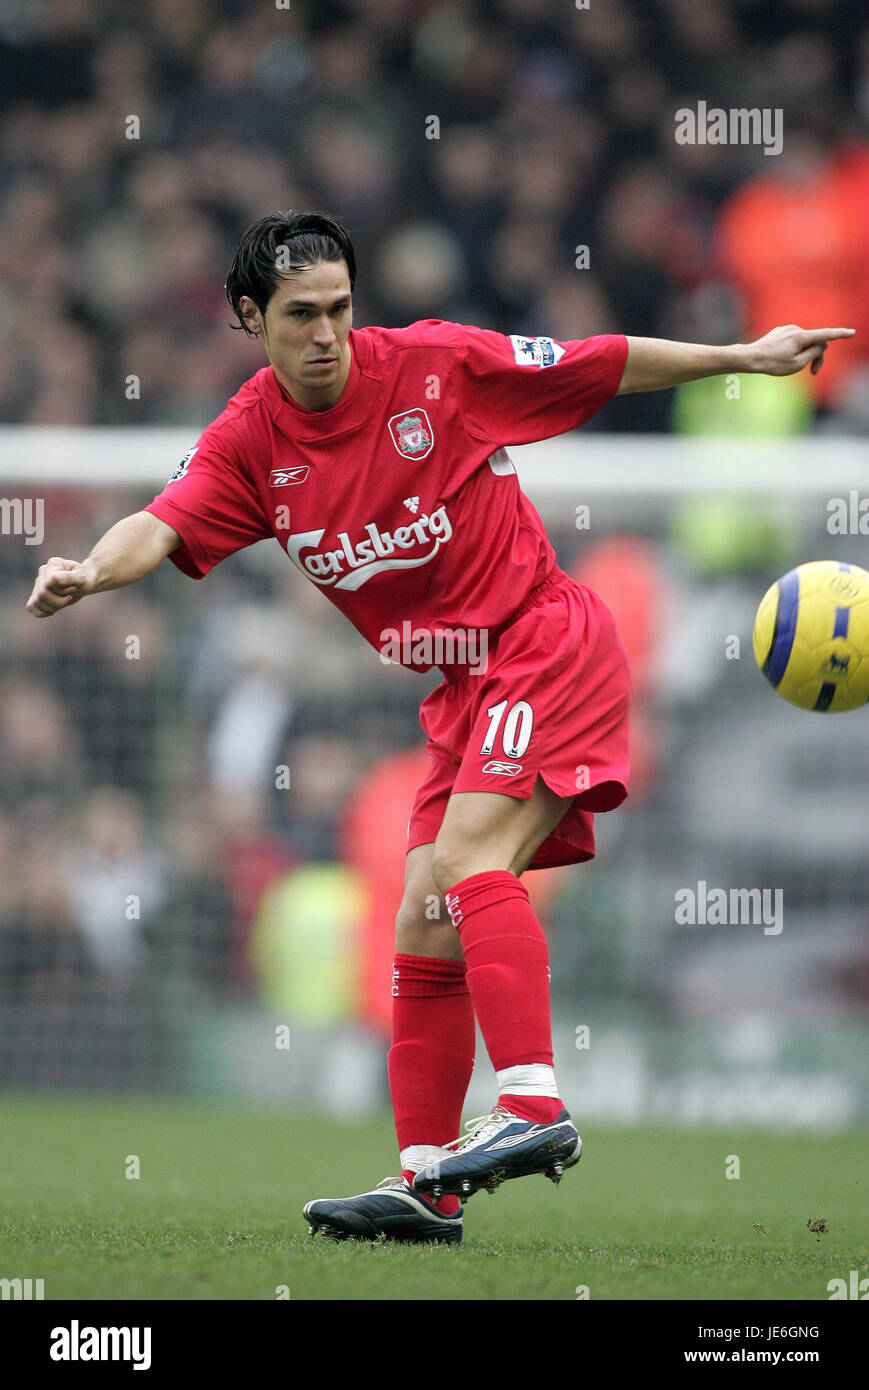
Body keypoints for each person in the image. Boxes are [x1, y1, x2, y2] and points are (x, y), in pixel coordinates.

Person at [27, 210, 854, 1245]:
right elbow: (163, 519)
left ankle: (532, 1103)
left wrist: (739, 354)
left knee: (465, 860)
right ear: (250, 318)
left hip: (541, 638)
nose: (325, 332)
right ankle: (424, 1181)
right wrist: (88, 572)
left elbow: (600, 363)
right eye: (298, 315)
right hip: (458, 692)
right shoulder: (249, 440)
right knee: (420, 917)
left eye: (338, 308)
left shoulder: (432, 366)